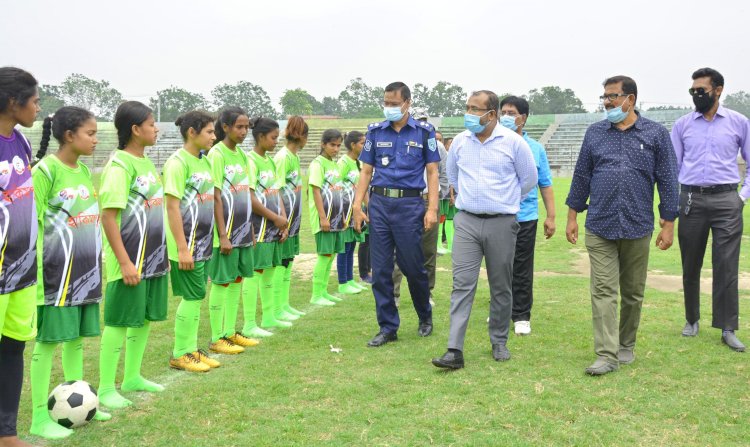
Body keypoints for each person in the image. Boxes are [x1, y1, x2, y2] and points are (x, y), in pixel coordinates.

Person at [565, 75, 679, 376]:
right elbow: (581, 176)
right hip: (599, 224)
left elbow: (667, 180)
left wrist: (668, 224)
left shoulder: (655, 134)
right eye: (604, 96)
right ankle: (606, 354)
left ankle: (626, 343)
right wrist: (572, 215)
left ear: (631, 99)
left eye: (613, 96)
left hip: (637, 224)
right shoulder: (595, 133)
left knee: (632, 292)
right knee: (603, 290)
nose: (607, 102)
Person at [432, 90, 537, 370]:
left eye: (475, 109)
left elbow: (528, 180)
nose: (469, 113)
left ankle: (499, 341)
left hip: (502, 222)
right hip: (466, 220)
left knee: (501, 285)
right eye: (467, 107)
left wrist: (505, 200)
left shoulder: (514, 143)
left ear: (492, 114)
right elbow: (453, 176)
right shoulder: (460, 144)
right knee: (462, 284)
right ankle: (454, 349)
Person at [30, 107, 110, 439]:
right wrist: (33, 276)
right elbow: (30, 226)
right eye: (90, 133)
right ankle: (37, 417)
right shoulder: (45, 171)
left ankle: (82, 402)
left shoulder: (81, 171)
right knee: (48, 343)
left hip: (84, 273)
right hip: (54, 278)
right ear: (69, 135)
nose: (95, 139)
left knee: (76, 340)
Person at [352, 82, 440, 347]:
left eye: (393, 103)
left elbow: (433, 172)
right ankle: (388, 326)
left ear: (407, 103)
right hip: (379, 205)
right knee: (380, 270)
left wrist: (432, 208)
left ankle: (425, 315)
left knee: (413, 267)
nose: (388, 107)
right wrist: (358, 205)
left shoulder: (424, 132)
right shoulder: (375, 132)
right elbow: (366, 171)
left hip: (409, 206)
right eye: (386, 102)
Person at [97, 101, 170, 410]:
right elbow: (109, 217)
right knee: (119, 321)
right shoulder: (120, 166)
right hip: (129, 261)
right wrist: (125, 262)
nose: (157, 129)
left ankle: (132, 377)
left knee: (142, 320)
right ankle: (104, 389)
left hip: (152, 258)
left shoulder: (146, 163)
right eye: (151, 124)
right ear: (135, 129)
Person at [671, 67, 750, 351]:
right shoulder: (682, 125)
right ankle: (692, 319)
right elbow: (673, 166)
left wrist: (741, 197)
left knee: (726, 265)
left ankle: (727, 327)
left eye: (701, 90)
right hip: (691, 199)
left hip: (727, 200)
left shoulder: (739, 123)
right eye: (693, 91)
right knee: (690, 263)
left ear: (718, 90)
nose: (696, 95)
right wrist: (675, 199)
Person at [0, 67, 40, 447]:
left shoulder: (22, 143)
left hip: (22, 269)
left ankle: (6, 433)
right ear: (14, 102)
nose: (38, 107)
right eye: (34, 100)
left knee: (12, 347)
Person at [499, 96, 556, 336]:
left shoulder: (535, 148)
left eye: (511, 112)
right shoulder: (493, 143)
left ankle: (521, 315)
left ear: (523, 118)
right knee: (499, 266)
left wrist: (551, 216)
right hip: (498, 215)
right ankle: (501, 310)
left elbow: (545, 184)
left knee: (521, 266)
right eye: (503, 111)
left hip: (525, 216)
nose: (506, 116)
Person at [165, 110, 217, 373]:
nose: (214, 136)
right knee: (192, 295)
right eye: (209, 131)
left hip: (204, 242)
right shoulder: (178, 163)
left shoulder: (204, 161)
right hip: (187, 245)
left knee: (198, 295)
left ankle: (191, 349)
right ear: (192, 133)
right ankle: (179, 353)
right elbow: (172, 207)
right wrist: (183, 248)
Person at [206, 107, 258, 356]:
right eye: (239, 126)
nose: (244, 131)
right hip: (224, 234)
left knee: (237, 279)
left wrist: (249, 229)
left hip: (242, 230)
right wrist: (223, 234)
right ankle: (217, 336)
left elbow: (246, 194)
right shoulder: (217, 155)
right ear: (224, 127)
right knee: (222, 281)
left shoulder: (242, 156)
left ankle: (229, 331)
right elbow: (215, 196)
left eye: (247, 127)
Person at [392, 111, 446, 307]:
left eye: (424, 122)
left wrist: (440, 196)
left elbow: (442, 172)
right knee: (399, 249)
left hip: (429, 199)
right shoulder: (401, 141)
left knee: (428, 250)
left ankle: (426, 292)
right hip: (408, 200)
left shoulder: (437, 145)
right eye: (418, 121)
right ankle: (394, 293)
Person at [245, 117, 289, 333]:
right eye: (273, 138)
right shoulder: (251, 161)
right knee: (256, 272)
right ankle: (249, 323)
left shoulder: (270, 161)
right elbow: (250, 198)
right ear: (260, 137)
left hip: (274, 226)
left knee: (270, 270)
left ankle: (269, 317)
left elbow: (276, 191)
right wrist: (274, 217)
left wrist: (283, 219)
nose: (275, 142)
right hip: (259, 227)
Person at [273, 116, 307, 319]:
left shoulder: (294, 157)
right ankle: (276, 308)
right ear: (302, 136)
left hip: (294, 219)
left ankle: (284, 305)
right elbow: (276, 190)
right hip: (284, 220)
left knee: (289, 261)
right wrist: (282, 220)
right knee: (281, 263)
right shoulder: (283, 157)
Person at [309, 129, 347, 305]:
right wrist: (323, 218)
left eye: (339, 145)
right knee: (324, 254)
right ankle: (316, 295)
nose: (336, 149)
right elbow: (315, 191)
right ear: (323, 144)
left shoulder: (334, 164)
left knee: (331, 255)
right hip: (325, 218)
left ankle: (323, 291)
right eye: (332, 145)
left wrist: (342, 216)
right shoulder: (318, 164)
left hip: (336, 218)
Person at [336, 131, 368, 295]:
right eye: (362, 143)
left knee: (352, 245)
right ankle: (343, 282)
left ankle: (349, 280)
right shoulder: (343, 162)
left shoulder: (358, 163)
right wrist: (340, 214)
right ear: (353, 145)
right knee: (344, 247)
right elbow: (337, 187)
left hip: (355, 212)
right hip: (344, 211)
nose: (364, 146)